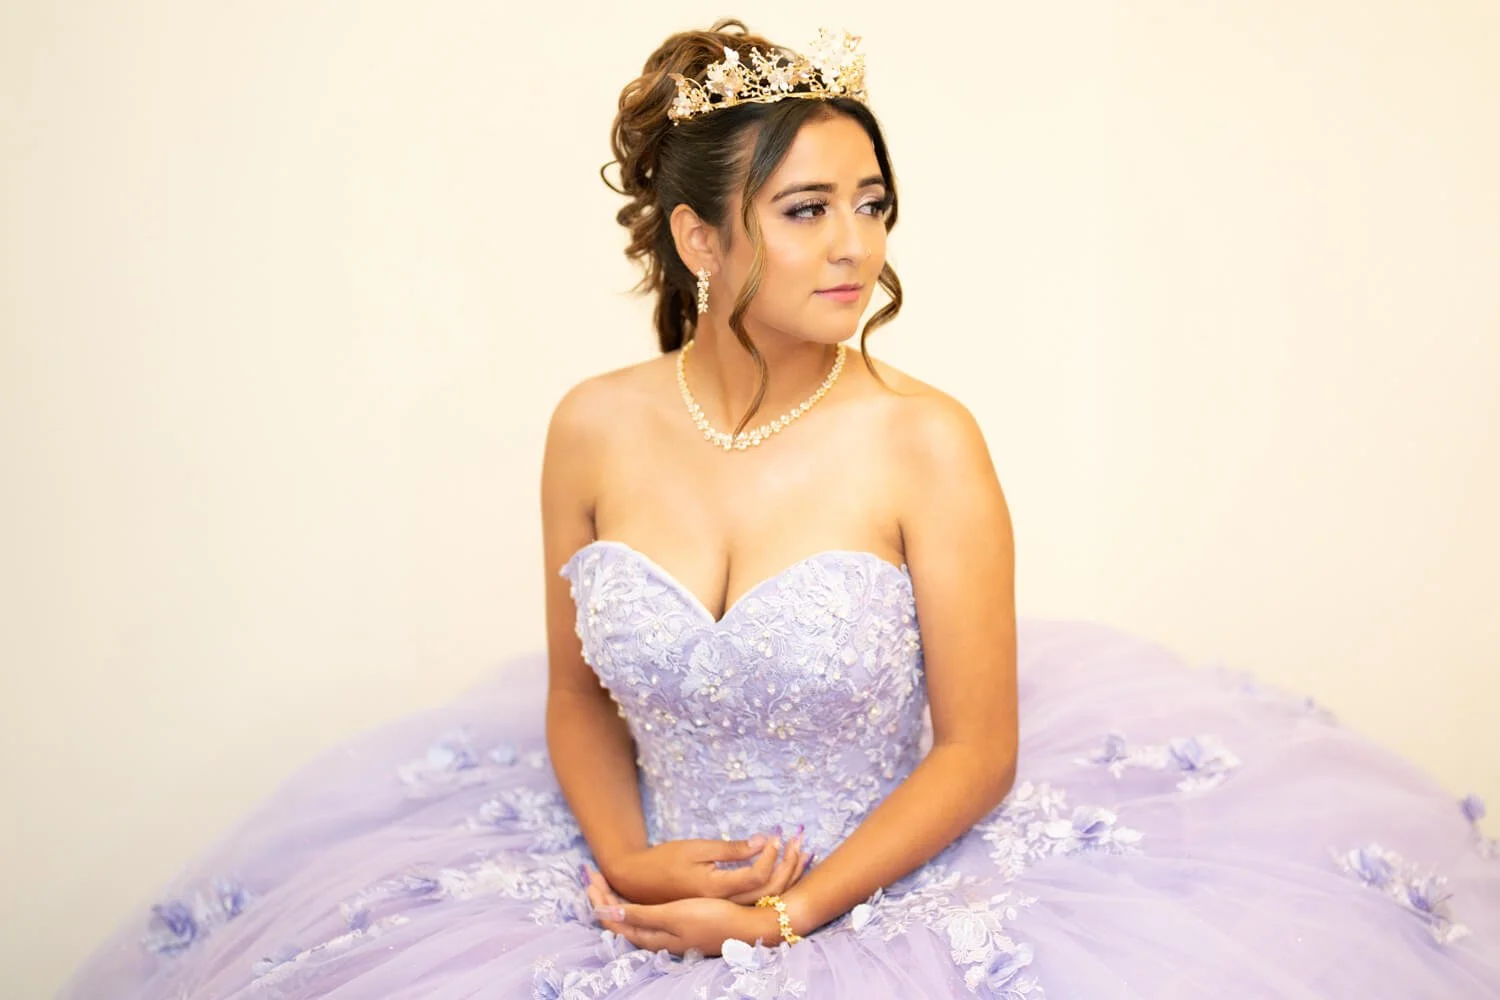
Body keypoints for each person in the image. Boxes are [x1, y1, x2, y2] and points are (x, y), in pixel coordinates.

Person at [62, 19, 1500, 1000]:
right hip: (637, 874)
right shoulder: (591, 426)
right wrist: (626, 860)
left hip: (876, 887)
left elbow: (978, 749)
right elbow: (575, 699)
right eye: (808, 209)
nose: (857, 244)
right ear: (700, 237)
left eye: (870, 202)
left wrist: (778, 917)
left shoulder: (926, 440)